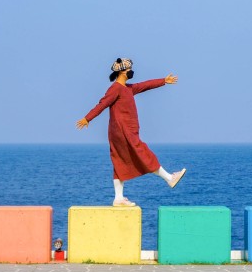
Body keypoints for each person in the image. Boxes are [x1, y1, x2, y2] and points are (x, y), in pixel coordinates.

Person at [75, 58, 186, 206]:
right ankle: (169, 178)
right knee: (143, 153)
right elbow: (102, 104)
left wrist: (163, 80)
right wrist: (87, 118)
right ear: (121, 72)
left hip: (124, 131)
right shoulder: (115, 89)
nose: (131, 72)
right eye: (128, 70)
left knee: (119, 161)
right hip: (123, 132)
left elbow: (144, 85)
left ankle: (118, 198)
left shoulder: (128, 88)